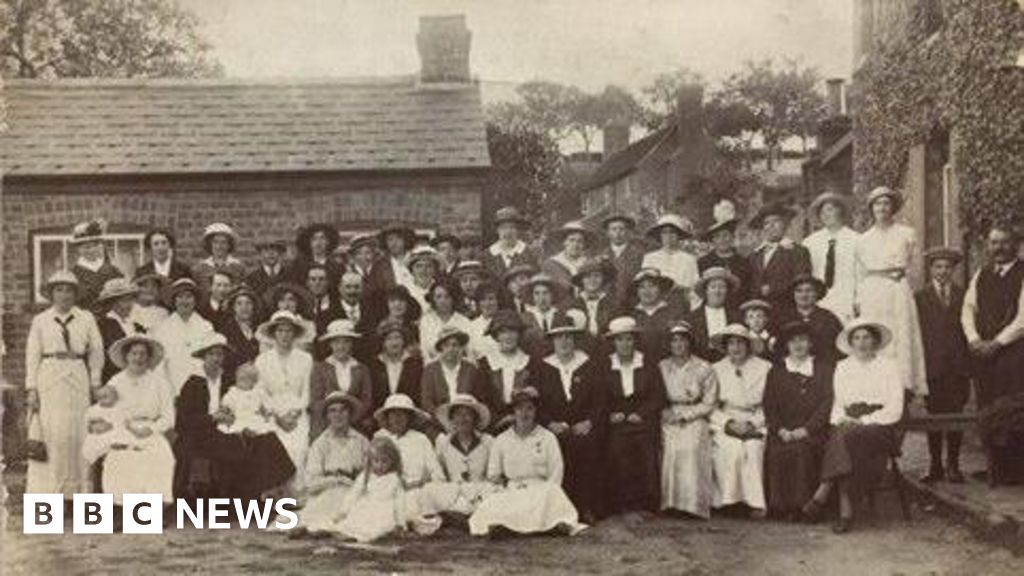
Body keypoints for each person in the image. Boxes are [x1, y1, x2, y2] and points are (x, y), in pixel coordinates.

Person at [804, 319, 904, 534]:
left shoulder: (889, 366)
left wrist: (865, 421)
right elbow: (838, 403)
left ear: (875, 340)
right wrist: (844, 420)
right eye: (856, 338)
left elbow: (896, 406)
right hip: (848, 424)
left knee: (844, 438)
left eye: (866, 337)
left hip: (880, 425)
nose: (862, 342)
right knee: (846, 438)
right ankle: (844, 512)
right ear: (851, 342)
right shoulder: (843, 366)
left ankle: (823, 492)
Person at [174, 333, 295, 500]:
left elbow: (244, 399)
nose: (216, 358)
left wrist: (250, 416)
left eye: (220, 354)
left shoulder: (228, 379)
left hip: (232, 427)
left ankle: (268, 493)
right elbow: (183, 422)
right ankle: (241, 498)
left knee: (266, 439)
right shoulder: (193, 383)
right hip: (201, 434)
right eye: (211, 354)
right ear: (203, 357)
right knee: (238, 448)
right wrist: (213, 418)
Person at [25, 271, 105, 497]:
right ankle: (49, 497)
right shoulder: (40, 320)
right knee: (53, 434)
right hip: (50, 377)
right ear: (51, 294)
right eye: (59, 290)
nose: (64, 295)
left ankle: (81, 496)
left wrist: (95, 381)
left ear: (76, 294)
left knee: (79, 434)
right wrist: (32, 388)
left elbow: (97, 351)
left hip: (78, 376)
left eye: (69, 290)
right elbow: (32, 355)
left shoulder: (86, 318)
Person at [468, 387, 583, 537]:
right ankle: (517, 526)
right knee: (493, 500)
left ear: (536, 412)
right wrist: (502, 486)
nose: (524, 413)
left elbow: (556, 472)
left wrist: (547, 491)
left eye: (529, 408)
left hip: (540, 490)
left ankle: (524, 526)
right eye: (519, 409)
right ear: (513, 413)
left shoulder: (547, 437)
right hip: (514, 490)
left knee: (552, 493)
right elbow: (493, 474)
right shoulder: (502, 440)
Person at [961, 226, 1024, 482]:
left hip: (1015, 353)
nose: (998, 247)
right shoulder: (982, 274)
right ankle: (995, 468)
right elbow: (967, 309)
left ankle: (1017, 471)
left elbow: (1023, 318)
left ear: (1015, 245)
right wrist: (974, 339)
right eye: (994, 242)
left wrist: (997, 343)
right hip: (984, 355)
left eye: (1004, 242)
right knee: (987, 407)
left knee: (1013, 408)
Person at [853, 186, 927, 398]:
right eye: (877, 203)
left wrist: (904, 283)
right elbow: (859, 273)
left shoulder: (906, 233)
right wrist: (859, 298)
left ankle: (903, 384)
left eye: (886, 203)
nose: (882, 208)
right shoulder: (863, 239)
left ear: (893, 207)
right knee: (876, 334)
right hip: (873, 292)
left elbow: (914, 266)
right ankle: (875, 384)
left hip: (898, 289)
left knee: (900, 334)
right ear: (871, 208)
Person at [536, 314, 605, 523]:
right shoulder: (543, 367)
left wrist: (589, 422)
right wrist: (550, 423)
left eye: (568, 337)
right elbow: (536, 404)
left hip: (584, 425)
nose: (564, 342)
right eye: (559, 337)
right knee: (554, 448)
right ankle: (557, 509)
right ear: (552, 341)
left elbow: (601, 399)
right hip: (554, 427)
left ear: (575, 339)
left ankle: (586, 507)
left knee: (588, 445)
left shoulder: (589, 364)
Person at [763, 322, 834, 520]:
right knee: (776, 450)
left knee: (802, 450)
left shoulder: (823, 370)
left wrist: (807, 429)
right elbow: (770, 405)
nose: (798, 345)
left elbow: (828, 403)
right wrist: (780, 429)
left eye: (802, 340)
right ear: (786, 345)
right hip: (783, 430)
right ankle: (779, 507)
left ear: (810, 343)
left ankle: (802, 507)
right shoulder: (776, 372)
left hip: (813, 431)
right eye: (793, 341)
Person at [916, 247, 971, 484]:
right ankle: (935, 464)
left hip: (958, 366)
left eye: (947, 267)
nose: (943, 271)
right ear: (931, 269)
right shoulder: (919, 297)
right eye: (938, 266)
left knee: (956, 415)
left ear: (953, 270)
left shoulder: (965, 295)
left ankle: (954, 465)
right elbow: (916, 333)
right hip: (933, 366)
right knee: (934, 416)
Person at [601, 316, 666, 513]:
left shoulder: (647, 362)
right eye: (620, 340)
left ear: (635, 341)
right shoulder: (605, 365)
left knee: (645, 446)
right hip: (616, 419)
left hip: (643, 418)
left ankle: (646, 501)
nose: (625, 344)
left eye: (629, 339)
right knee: (617, 447)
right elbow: (600, 396)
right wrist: (610, 414)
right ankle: (621, 502)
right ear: (613, 343)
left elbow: (658, 395)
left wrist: (642, 413)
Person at [101, 335, 176, 505]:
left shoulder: (159, 382)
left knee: (161, 455)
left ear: (149, 358)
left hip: (150, 429)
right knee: (118, 457)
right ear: (126, 356)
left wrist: (151, 429)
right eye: (134, 353)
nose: (138, 358)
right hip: (122, 428)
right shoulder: (116, 381)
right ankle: (119, 508)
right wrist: (125, 427)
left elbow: (169, 416)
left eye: (143, 354)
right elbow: (107, 411)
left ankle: (153, 508)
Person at [709, 324, 771, 518]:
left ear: (748, 345)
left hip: (756, 419)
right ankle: (728, 501)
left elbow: (772, 404)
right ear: (725, 347)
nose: (736, 348)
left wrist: (753, 423)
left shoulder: (765, 367)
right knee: (731, 448)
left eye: (740, 343)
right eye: (731, 343)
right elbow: (709, 405)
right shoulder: (715, 369)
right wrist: (728, 423)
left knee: (753, 448)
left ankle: (755, 503)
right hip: (725, 420)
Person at [659, 321, 719, 519]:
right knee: (670, 446)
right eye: (674, 340)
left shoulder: (704, 367)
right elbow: (654, 397)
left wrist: (688, 415)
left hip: (696, 414)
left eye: (682, 340)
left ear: (690, 342)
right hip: (669, 415)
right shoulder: (662, 367)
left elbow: (710, 402)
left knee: (693, 446)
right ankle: (670, 503)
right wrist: (665, 413)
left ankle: (693, 505)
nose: (678, 345)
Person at [255, 310, 315, 477]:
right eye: (280, 331)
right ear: (273, 334)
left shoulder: (305, 359)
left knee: (300, 448)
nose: (284, 335)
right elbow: (261, 393)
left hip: (298, 413)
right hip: (273, 413)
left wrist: (296, 412)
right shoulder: (262, 360)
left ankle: (296, 498)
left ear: (295, 334)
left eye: (288, 331)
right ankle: (277, 498)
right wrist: (278, 416)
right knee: (275, 448)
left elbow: (307, 391)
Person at [299, 391, 370, 532]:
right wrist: (336, 480)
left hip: (355, 493)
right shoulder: (320, 444)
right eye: (333, 411)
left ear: (350, 414)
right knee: (332, 502)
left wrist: (354, 484)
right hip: (328, 494)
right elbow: (311, 483)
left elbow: (369, 475)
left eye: (343, 410)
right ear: (327, 416)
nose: (338, 415)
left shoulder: (362, 441)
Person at [422, 394, 496, 518]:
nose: (463, 419)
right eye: (458, 414)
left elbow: (493, 475)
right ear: (452, 418)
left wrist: (482, 489)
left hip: (480, 491)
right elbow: (438, 474)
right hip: (454, 493)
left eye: (468, 414)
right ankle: (460, 515)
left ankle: (463, 516)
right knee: (429, 489)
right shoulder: (443, 442)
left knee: (494, 491)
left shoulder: (488, 441)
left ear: (475, 418)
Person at [373, 394, 445, 517]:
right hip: (387, 492)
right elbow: (372, 472)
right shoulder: (380, 437)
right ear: (387, 417)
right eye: (393, 414)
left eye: (402, 414)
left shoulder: (420, 439)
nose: (397, 418)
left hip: (417, 491)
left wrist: (422, 483)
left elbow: (437, 473)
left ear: (409, 418)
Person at [328, 437, 410, 542]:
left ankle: (371, 535)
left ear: (392, 461)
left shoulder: (394, 479)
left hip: (384, 510)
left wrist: (401, 523)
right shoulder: (366, 476)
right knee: (356, 518)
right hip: (368, 506)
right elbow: (354, 493)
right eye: (376, 461)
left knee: (379, 526)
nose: (380, 465)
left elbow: (400, 502)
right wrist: (343, 511)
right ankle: (349, 533)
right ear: (370, 461)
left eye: (384, 461)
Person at [479, 309, 547, 431]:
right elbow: (482, 400)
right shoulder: (485, 364)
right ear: (496, 336)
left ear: (519, 334)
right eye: (503, 332)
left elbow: (539, 398)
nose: (508, 336)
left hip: (526, 424)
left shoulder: (531, 363)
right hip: (493, 426)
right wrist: (500, 420)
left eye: (513, 331)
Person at [309, 319, 373, 440]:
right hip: (326, 425)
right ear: (330, 344)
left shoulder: (361, 368)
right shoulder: (320, 368)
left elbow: (367, 400)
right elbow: (315, 401)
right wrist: (334, 419)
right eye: (337, 342)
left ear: (352, 344)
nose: (341, 346)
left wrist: (350, 418)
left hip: (355, 424)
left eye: (346, 342)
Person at [802, 191, 859, 323]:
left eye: (830, 209)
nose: (826, 214)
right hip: (820, 298)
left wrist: (858, 299)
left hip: (846, 296)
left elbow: (861, 273)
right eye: (822, 212)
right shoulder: (810, 242)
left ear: (840, 211)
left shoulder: (856, 239)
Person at [152, 278, 214, 394]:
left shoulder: (206, 327)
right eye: (180, 297)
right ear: (174, 300)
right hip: (172, 387)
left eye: (189, 296)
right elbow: (159, 365)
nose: (184, 301)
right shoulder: (163, 328)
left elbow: (210, 362)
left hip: (200, 388)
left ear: (195, 300)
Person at [748, 202, 811, 312]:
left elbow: (801, 283)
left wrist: (773, 289)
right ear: (763, 228)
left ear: (785, 224)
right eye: (767, 223)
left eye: (776, 221)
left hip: (787, 309)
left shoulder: (797, 252)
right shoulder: (755, 255)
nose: (771, 226)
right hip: (760, 313)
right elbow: (750, 283)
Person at [420, 326, 486, 426]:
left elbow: (479, 397)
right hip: (437, 422)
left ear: (461, 348)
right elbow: (426, 401)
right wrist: (442, 419)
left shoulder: (471, 369)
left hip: (467, 421)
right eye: (446, 345)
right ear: (441, 348)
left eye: (455, 345)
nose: (451, 349)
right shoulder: (430, 370)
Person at [777, 274, 844, 363]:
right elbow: (777, 348)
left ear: (817, 293)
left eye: (809, 290)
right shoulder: (783, 318)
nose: (804, 295)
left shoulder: (829, 318)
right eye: (799, 291)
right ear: (793, 294)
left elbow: (840, 348)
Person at [368, 319, 425, 418]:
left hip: (409, 416)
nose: (394, 342)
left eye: (398, 338)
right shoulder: (374, 365)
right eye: (389, 339)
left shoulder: (415, 364)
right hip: (380, 418)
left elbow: (419, 395)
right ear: (382, 342)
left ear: (404, 340)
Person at [641, 214, 700, 306]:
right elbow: (645, 286)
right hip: (657, 304)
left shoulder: (689, 260)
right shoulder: (650, 258)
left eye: (672, 232)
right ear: (659, 235)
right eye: (664, 232)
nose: (668, 236)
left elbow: (694, 287)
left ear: (679, 235)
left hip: (681, 303)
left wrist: (683, 290)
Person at [95, 278, 146, 384]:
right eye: (123, 301)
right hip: (112, 379)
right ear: (112, 303)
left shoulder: (137, 327)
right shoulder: (102, 326)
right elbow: (98, 358)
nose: (128, 305)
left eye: (130, 300)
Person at [686, 267, 741, 362]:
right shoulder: (692, 318)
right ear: (706, 290)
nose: (717, 291)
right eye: (713, 287)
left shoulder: (737, 317)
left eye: (722, 287)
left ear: (727, 291)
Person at [68, 219, 124, 309]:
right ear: (78, 249)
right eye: (86, 247)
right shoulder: (73, 275)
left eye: (95, 246)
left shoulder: (113, 270)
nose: (91, 250)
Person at [631, 268, 684, 361]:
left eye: (652, 286)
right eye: (642, 287)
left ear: (660, 288)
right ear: (637, 291)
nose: (647, 291)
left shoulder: (674, 313)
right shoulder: (631, 316)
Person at [698, 217, 752, 306]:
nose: (722, 240)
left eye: (725, 235)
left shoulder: (744, 263)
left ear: (732, 237)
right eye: (718, 236)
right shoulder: (703, 262)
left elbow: (748, 291)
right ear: (713, 240)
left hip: (737, 309)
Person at [568, 258, 617, 354]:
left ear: (603, 279)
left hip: (607, 354)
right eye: (587, 276)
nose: (592, 280)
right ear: (581, 280)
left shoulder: (613, 305)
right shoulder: (572, 305)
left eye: (597, 276)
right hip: (580, 355)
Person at [419, 279, 472, 363]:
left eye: (447, 296)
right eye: (438, 297)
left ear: (453, 298)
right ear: (433, 299)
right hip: (434, 369)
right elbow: (424, 352)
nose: (443, 301)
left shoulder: (463, 321)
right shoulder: (426, 321)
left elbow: (470, 353)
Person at [601, 214, 646, 306]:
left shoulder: (640, 255)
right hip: (607, 304)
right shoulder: (600, 256)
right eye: (614, 229)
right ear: (608, 233)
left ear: (628, 232)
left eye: (621, 229)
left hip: (633, 303)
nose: (618, 233)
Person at [483, 206, 539, 279]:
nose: (508, 232)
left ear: (518, 230)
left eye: (512, 227)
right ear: (497, 230)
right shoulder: (488, 255)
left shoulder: (528, 253)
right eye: (504, 228)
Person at [191, 223, 246, 295]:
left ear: (229, 245)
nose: (219, 246)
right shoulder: (199, 268)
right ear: (210, 244)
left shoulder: (238, 267)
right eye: (215, 242)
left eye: (223, 242)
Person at [218, 363, 273, 434]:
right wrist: (226, 412)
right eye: (239, 379)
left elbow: (267, 407)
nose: (240, 383)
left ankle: (256, 433)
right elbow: (226, 409)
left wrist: (266, 412)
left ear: (254, 382)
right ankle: (245, 433)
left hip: (255, 418)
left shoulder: (258, 392)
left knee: (266, 425)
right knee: (235, 427)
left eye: (245, 379)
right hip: (238, 419)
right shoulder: (232, 393)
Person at [520, 273, 565, 358]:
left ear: (553, 295)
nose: (541, 298)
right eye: (537, 293)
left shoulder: (562, 316)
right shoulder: (524, 319)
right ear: (532, 296)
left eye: (545, 293)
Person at [219, 286, 263, 371]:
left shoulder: (259, 329)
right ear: (233, 307)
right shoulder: (225, 331)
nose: (244, 307)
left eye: (248, 303)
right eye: (239, 303)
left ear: (254, 306)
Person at [305, 265, 343, 358]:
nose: (317, 283)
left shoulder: (338, 306)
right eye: (313, 279)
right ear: (307, 283)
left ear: (328, 282)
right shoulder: (302, 307)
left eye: (321, 279)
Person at [542, 220, 593, 289]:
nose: (575, 245)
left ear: (584, 244)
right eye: (571, 240)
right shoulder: (551, 264)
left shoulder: (590, 263)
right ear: (564, 242)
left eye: (579, 241)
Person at [369, 223, 417, 293]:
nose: (394, 243)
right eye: (390, 239)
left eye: (398, 238)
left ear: (406, 240)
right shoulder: (379, 267)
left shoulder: (417, 259)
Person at [292, 223, 343, 288]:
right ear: (309, 243)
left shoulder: (337, 267)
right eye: (314, 239)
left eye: (322, 238)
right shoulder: (300, 266)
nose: (318, 242)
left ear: (328, 242)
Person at [465, 282, 504, 361]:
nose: (487, 304)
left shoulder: (505, 322)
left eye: (491, 299)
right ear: (478, 303)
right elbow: (471, 355)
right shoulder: (471, 326)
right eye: (483, 300)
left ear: (498, 301)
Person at [405, 245, 443, 312]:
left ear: (435, 270)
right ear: (412, 271)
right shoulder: (406, 290)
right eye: (419, 266)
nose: (423, 270)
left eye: (429, 266)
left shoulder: (442, 289)